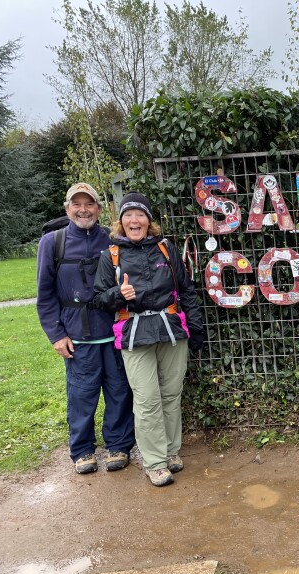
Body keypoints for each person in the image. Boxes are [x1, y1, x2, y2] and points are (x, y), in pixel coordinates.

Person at [93, 192, 205, 487]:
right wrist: (119, 294)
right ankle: (154, 463)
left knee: (171, 395)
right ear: (120, 221)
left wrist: (195, 329)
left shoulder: (166, 249)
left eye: (140, 215)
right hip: (135, 334)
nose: (134, 220)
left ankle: (170, 452)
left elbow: (187, 290)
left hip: (170, 331)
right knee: (146, 399)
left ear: (148, 220)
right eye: (128, 215)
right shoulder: (110, 256)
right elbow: (97, 299)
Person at [36, 183, 135, 474]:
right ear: (67, 209)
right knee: (81, 394)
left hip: (114, 330)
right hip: (77, 335)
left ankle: (118, 446)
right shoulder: (53, 243)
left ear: (99, 209)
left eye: (89, 204)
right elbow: (45, 295)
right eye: (77, 205)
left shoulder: (113, 238)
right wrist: (56, 335)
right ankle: (82, 450)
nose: (83, 210)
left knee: (119, 391)